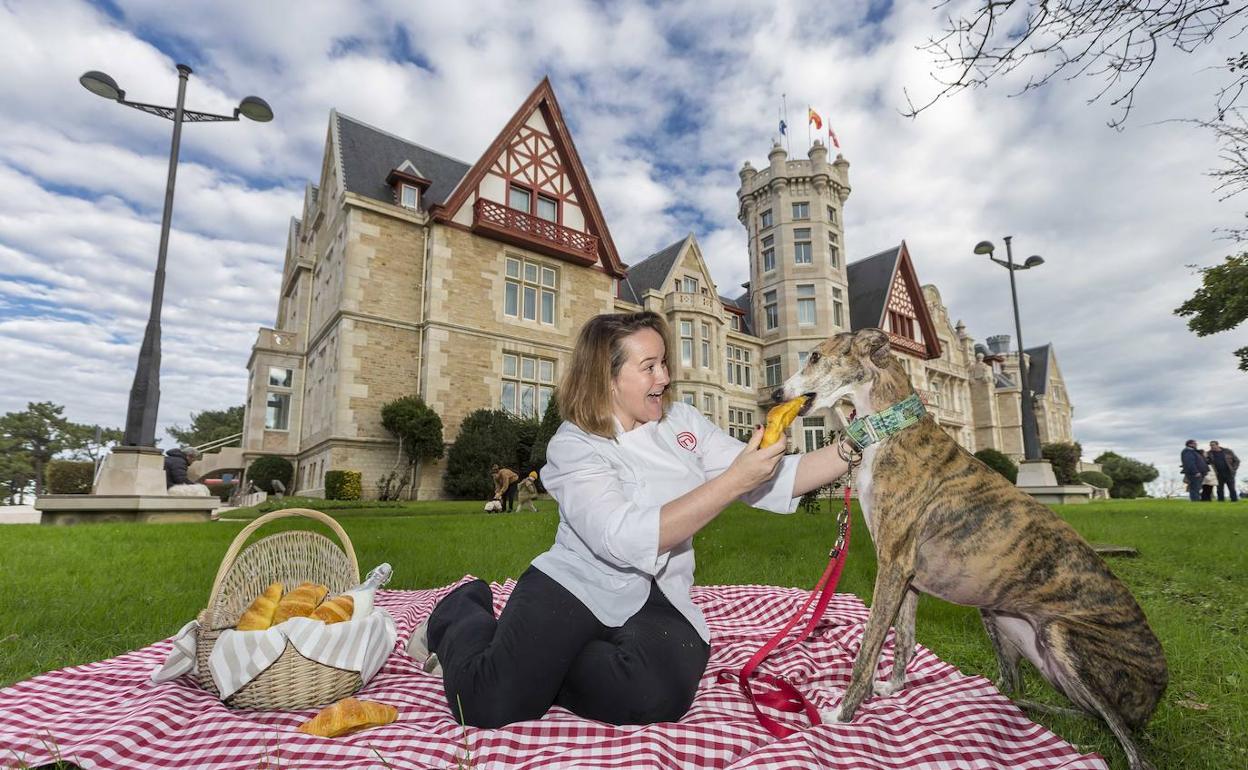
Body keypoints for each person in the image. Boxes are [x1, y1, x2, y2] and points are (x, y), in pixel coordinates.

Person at [410, 311, 854, 728]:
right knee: (489, 702)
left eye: (663, 363)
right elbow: (620, 538)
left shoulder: (683, 422)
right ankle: (459, 611)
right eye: (649, 366)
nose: (664, 377)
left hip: (661, 594)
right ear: (607, 377)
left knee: (653, 698)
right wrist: (734, 481)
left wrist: (857, 444)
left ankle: (545, 666)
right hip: (579, 581)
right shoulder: (574, 446)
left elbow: (773, 477)